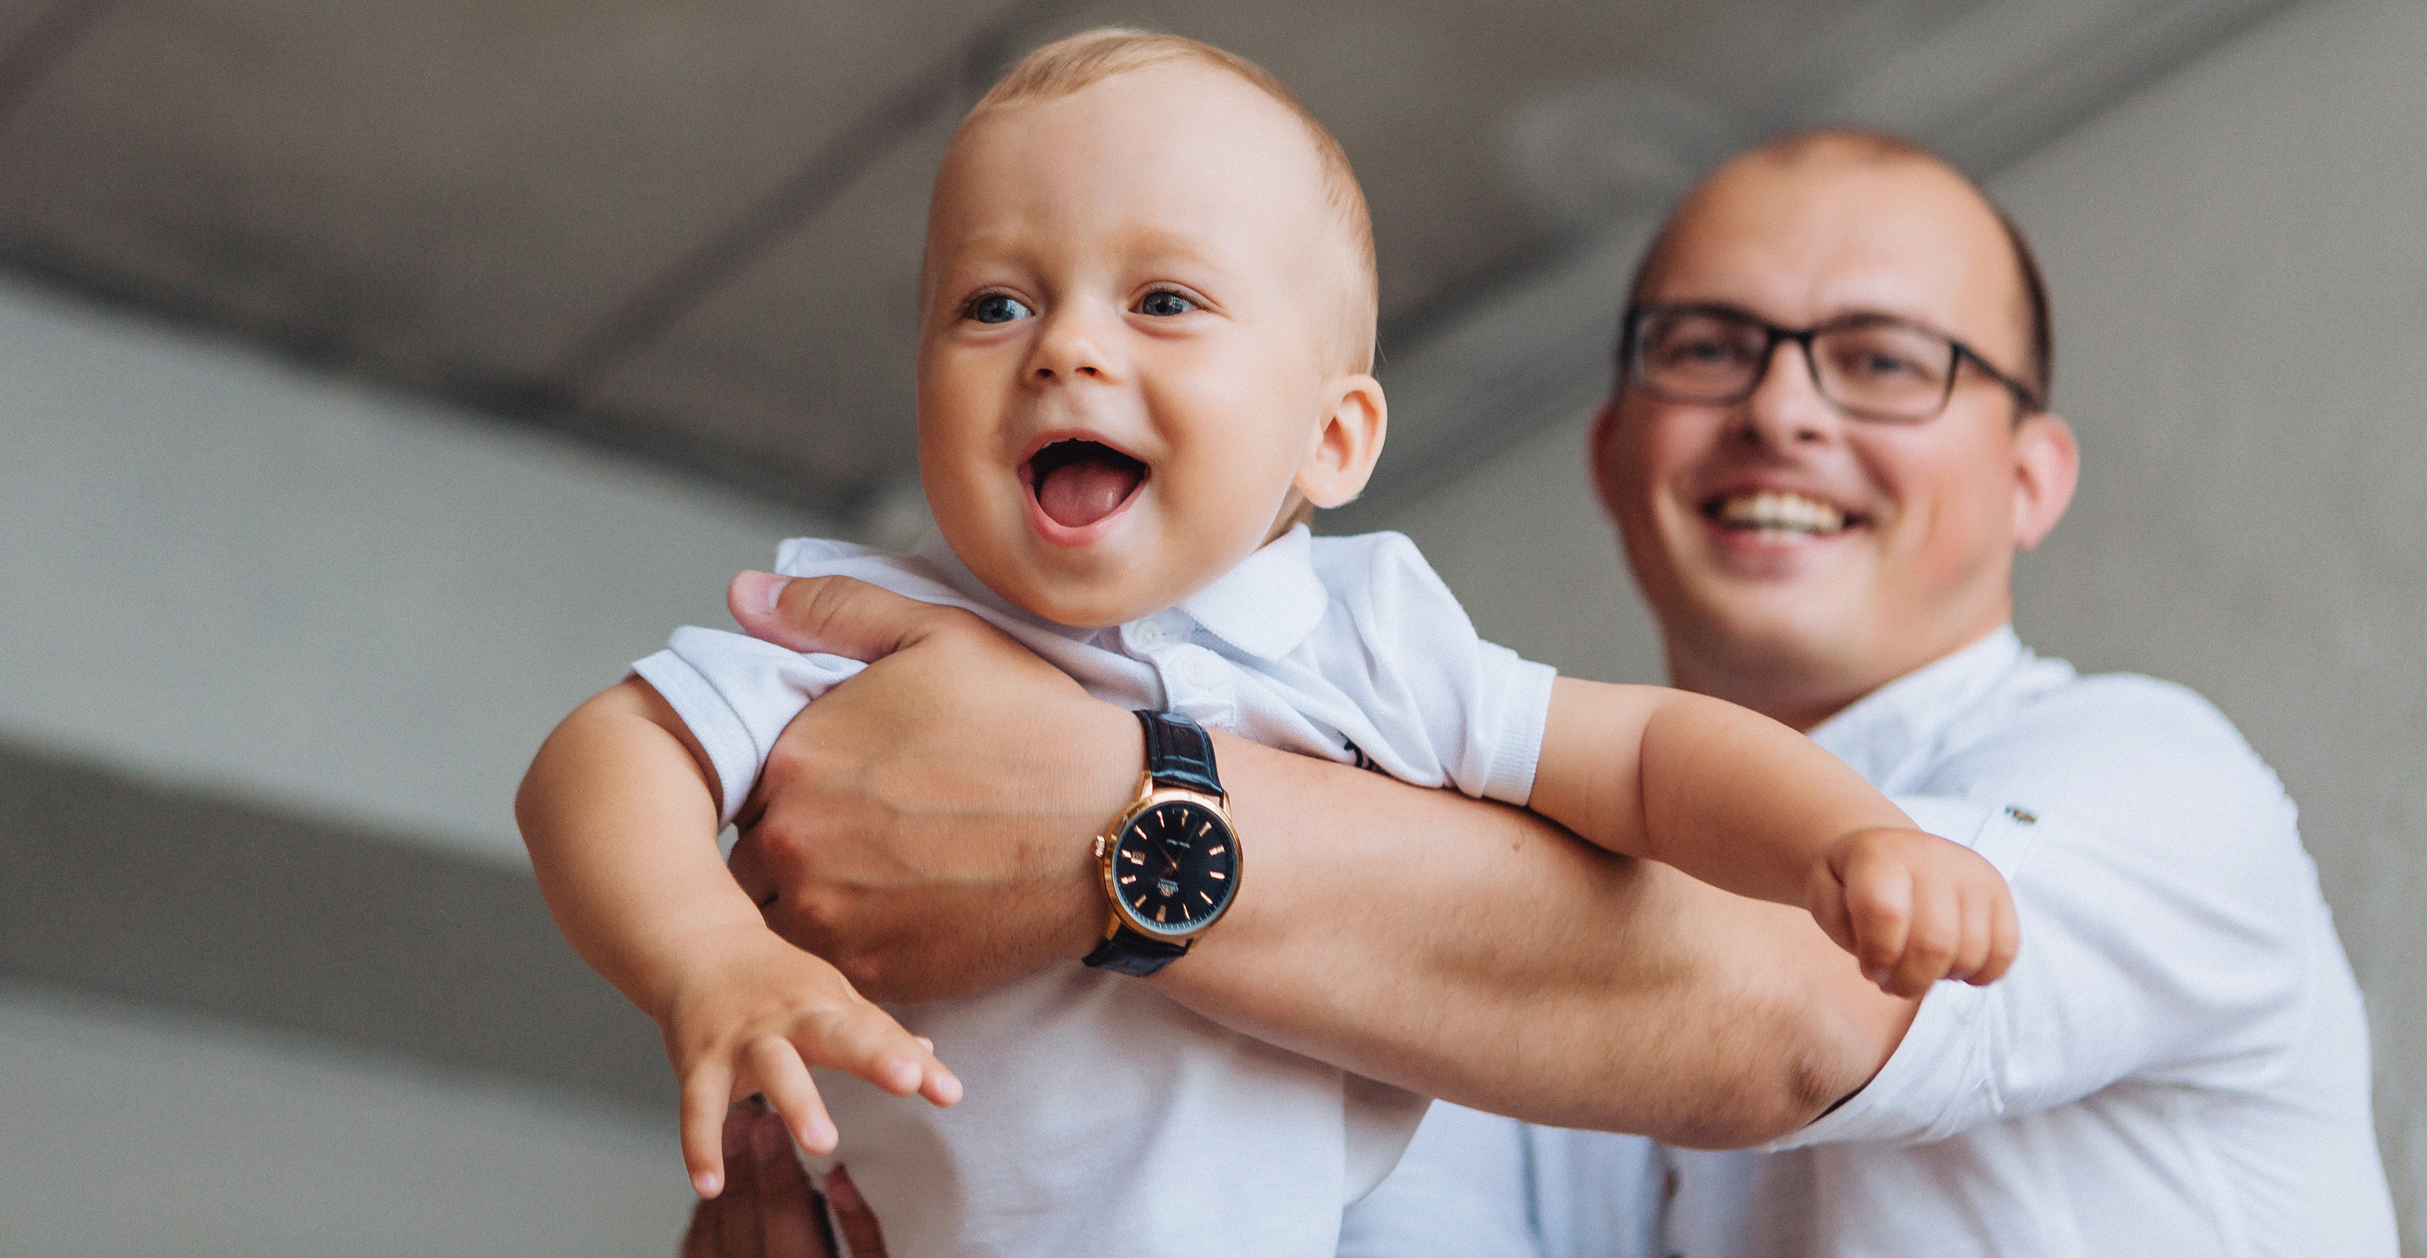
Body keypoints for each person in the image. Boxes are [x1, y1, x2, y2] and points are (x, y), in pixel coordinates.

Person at [686, 127, 2395, 1256]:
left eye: (1885, 361)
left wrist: (1115, 818)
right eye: (1708, 349)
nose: (1782, 412)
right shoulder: (1436, 895)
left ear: (2031, 478)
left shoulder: (2166, 780)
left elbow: (1801, 1014)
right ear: (1616, 451)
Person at [517, 35, 2017, 1258]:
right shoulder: (866, 631)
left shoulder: (1362, 640)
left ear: (1333, 436)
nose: (1065, 347)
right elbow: (608, 755)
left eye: (1164, 300)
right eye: (993, 303)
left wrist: (1844, 839)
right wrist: (707, 957)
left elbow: (1638, 756)